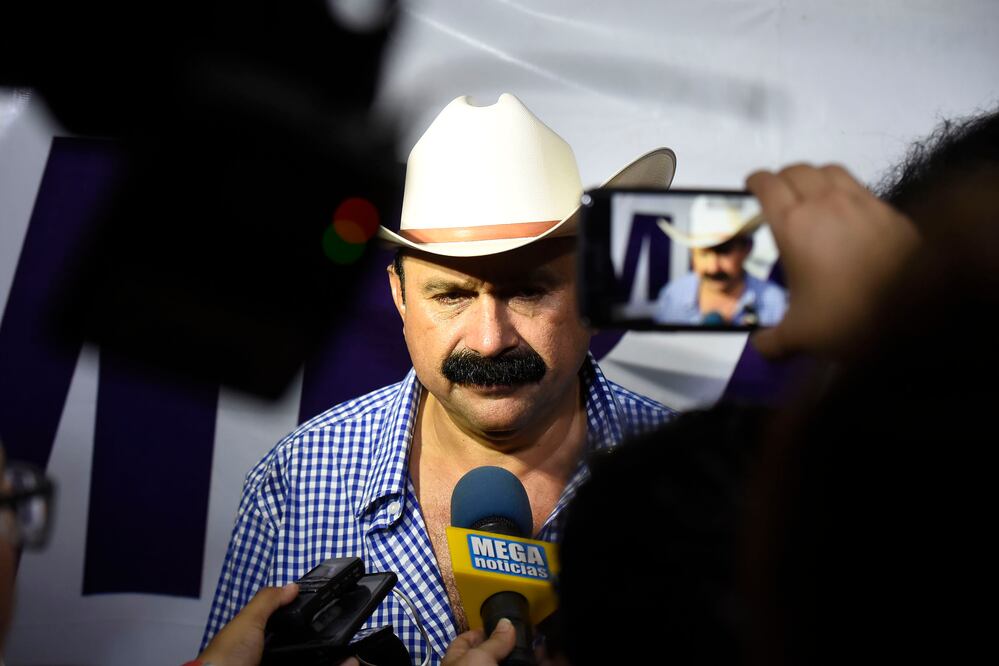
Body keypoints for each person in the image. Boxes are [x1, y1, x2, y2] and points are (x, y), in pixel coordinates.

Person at [201, 93, 678, 665]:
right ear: (400, 297)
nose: (490, 339)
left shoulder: (695, 480)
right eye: (452, 295)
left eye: (528, 291)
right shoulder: (294, 479)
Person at [656, 194, 786, 325]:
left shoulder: (775, 304)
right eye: (704, 253)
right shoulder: (673, 296)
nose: (713, 267)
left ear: (747, 249)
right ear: (692, 253)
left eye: (724, 252)